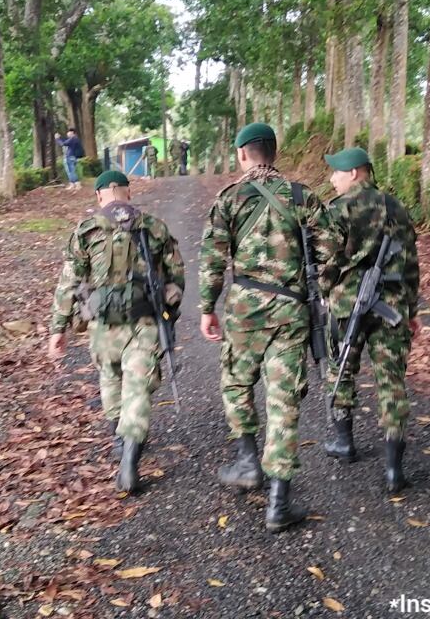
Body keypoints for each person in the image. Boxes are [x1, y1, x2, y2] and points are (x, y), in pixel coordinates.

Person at [197, 122, 334, 532]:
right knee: (284, 400)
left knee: (237, 382)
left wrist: (207, 307)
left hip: (244, 310)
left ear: (242, 154)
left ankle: (246, 461)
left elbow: (212, 259)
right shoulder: (303, 197)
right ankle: (279, 502)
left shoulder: (229, 199)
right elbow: (330, 249)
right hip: (292, 312)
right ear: (275, 153)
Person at [47, 170, 185, 494]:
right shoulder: (153, 227)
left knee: (110, 379)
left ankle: (121, 442)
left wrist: (58, 328)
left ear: (99, 196)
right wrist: (170, 313)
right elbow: (176, 276)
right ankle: (129, 463)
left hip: (102, 326)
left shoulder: (86, 230)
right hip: (144, 322)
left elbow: (67, 283)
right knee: (137, 387)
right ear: (127, 192)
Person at [318, 147, 420, 494]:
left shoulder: (336, 210)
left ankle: (344, 441)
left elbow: (326, 260)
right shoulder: (397, 207)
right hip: (392, 306)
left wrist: (324, 289)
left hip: (348, 306)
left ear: (355, 173)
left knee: (341, 368)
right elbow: (410, 264)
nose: (332, 179)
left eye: (336, 172)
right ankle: (394, 469)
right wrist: (413, 310)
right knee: (391, 381)